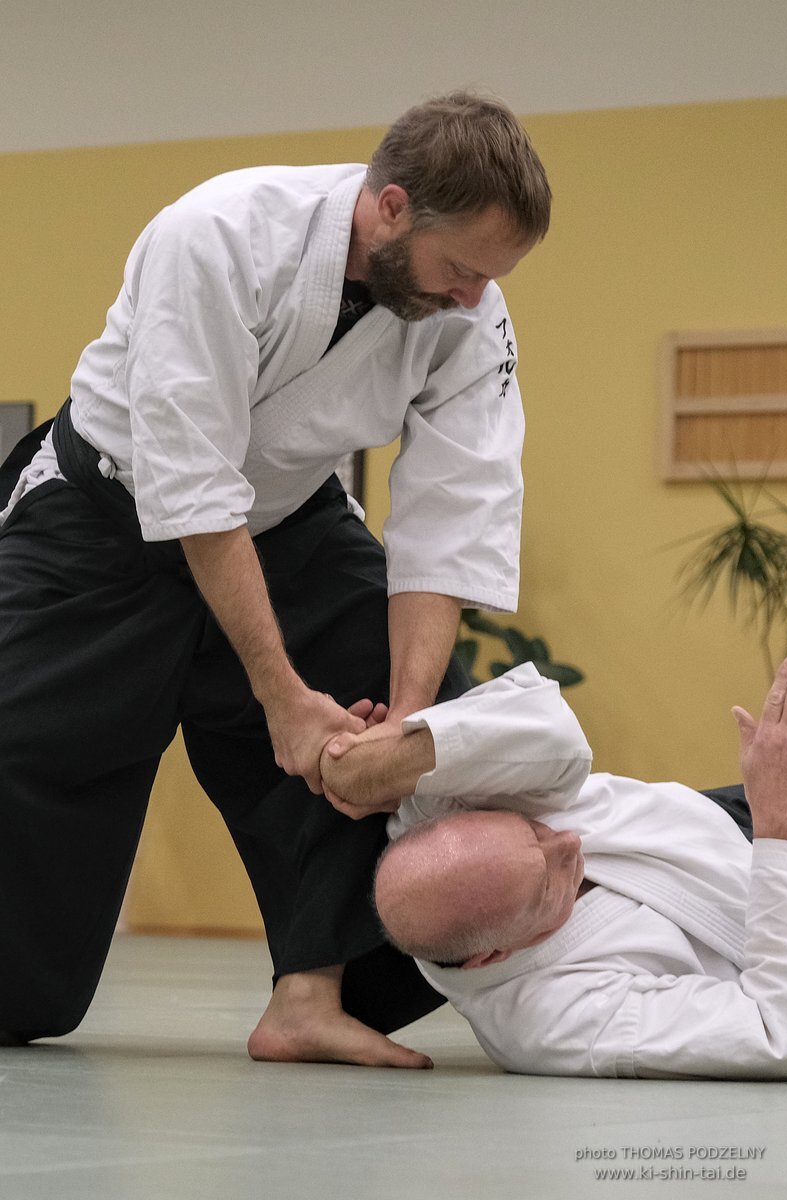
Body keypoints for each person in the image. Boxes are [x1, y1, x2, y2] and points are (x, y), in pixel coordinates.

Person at [0, 94, 551, 1066]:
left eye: (490, 277)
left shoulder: (468, 310)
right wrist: (282, 698)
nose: (474, 297)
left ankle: (310, 997)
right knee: (24, 848)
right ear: (389, 209)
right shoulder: (215, 235)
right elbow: (191, 484)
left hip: (288, 518)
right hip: (105, 517)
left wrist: (404, 725)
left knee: (433, 746)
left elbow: (450, 514)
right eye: (461, 267)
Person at [319, 657, 787, 1079]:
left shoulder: (438, 811)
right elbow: (780, 1033)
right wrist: (780, 832)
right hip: (783, 897)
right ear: (492, 956)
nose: (570, 843)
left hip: (735, 814)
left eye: (533, 830)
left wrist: (383, 762)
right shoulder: (554, 1020)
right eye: (546, 884)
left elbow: (544, 719)